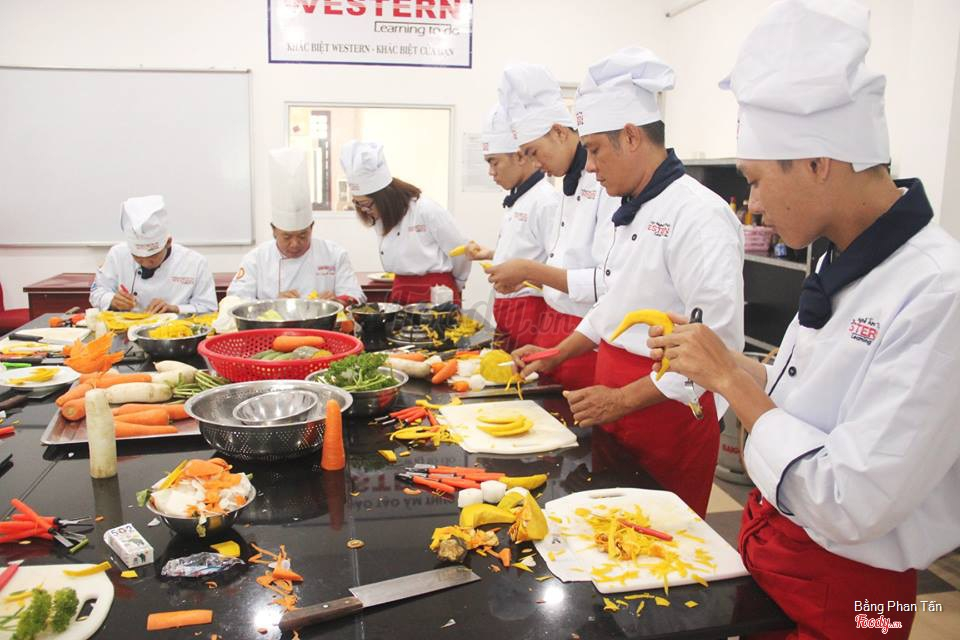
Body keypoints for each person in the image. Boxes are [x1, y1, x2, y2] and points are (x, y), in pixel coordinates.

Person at [647, 1, 960, 636]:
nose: (753, 205)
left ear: (819, 163)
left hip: (853, 593)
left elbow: (852, 500)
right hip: (777, 550)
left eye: (756, 181)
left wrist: (730, 384)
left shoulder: (938, 290)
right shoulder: (838, 258)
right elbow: (807, 397)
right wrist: (726, 363)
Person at [515, 48, 744, 517]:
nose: (590, 166)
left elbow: (713, 346)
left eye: (596, 149)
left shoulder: (699, 215)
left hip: (666, 413)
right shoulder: (630, 209)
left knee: (662, 541)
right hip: (615, 402)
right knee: (610, 531)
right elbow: (613, 302)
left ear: (632, 136)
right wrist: (558, 353)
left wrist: (622, 398)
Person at [490, 63, 619, 389]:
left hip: (585, 336)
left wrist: (529, 270)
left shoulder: (607, 183)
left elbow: (608, 281)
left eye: (534, 152)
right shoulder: (566, 182)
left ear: (560, 133)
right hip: (555, 328)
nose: (535, 163)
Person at [463, 103, 560, 351]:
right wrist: (491, 254)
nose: (491, 172)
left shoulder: (546, 201)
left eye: (494, 162)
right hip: (508, 310)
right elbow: (529, 249)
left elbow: (558, 267)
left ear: (519, 157)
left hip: (533, 314)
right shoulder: (519, 197)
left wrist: (525, 278)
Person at [340, 140, 469, 306]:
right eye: (357, 204)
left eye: (366, 204)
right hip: (401, 290)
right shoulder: (382, 217)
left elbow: (461, 249)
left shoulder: (426, 209)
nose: (364, 210)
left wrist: (458, 282)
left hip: (437, 291)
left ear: (384, 198)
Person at [228, 148, 365, 304]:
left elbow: (356, 295)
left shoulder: (334, 254)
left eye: (302, 235)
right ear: (274, 231)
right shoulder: (256, 259)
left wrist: (338, 301)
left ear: (312, 227)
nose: (295, 244)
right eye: (287, 237)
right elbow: (234, 300)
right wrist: (273, 304)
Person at [89, 195, 216, 314]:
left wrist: (175, 309)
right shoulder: (117, 254)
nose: (145, 263)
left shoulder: (195, 263)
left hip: (176, 328)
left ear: (168, 243)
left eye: (152, 257)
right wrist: (111, 300)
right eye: (138, 258)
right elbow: (96, 293)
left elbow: (209, 308)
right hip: (124, 327)